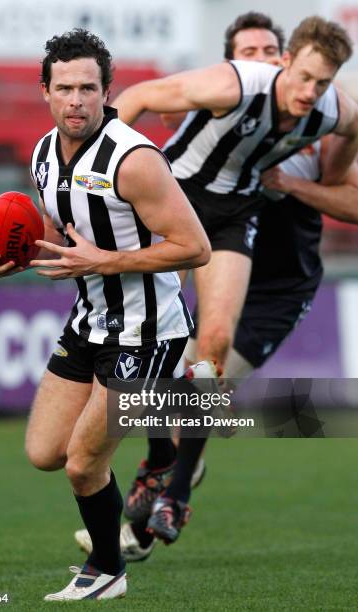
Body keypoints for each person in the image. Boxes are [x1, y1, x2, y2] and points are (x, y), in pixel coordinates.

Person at [75, 12, 358, 556]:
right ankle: (159, 465)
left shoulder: (329, 109)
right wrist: (94, 175)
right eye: (303, 78)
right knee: (154, 343)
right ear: (282, 63)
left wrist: (330, 167)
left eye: (322, 83)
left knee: (213, 350)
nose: (310, 92)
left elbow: (350, 126)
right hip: (177, 198)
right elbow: (140, 96)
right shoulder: (235, 82)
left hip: (232, 218)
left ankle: (173, 491)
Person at [0, 29, 210, 601]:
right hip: (90, 323)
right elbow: (64, 237)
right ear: (45, 92)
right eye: (65, 88)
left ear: (107, 92)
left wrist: (108, 261)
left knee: (83, 465)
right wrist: (18, 257)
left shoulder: (133, 160)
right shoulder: (41, 156)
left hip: (148, 329)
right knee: (43, 454)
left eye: (88, 88)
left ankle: (107, 571)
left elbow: (195, 247)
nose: (76, 100)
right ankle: (169, 436)